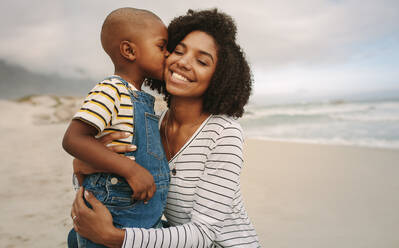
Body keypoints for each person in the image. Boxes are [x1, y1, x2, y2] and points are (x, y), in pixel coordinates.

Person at [70, 9, 261, 247]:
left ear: (219, 76)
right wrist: (85, 164)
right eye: (177, 51)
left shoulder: (224, 134)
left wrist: (113, 237)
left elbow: (204, 234)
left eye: (202, 61)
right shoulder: (150, 124)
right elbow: (114, 182)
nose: (182, 62)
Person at [62, 7, 170, 248]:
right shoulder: (111, 89)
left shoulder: (139, 96)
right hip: (114, 215)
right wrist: (131, 171)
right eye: (161, 47)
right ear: (129, 50)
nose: (168, 54)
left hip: (141, 218)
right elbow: (74, 138)